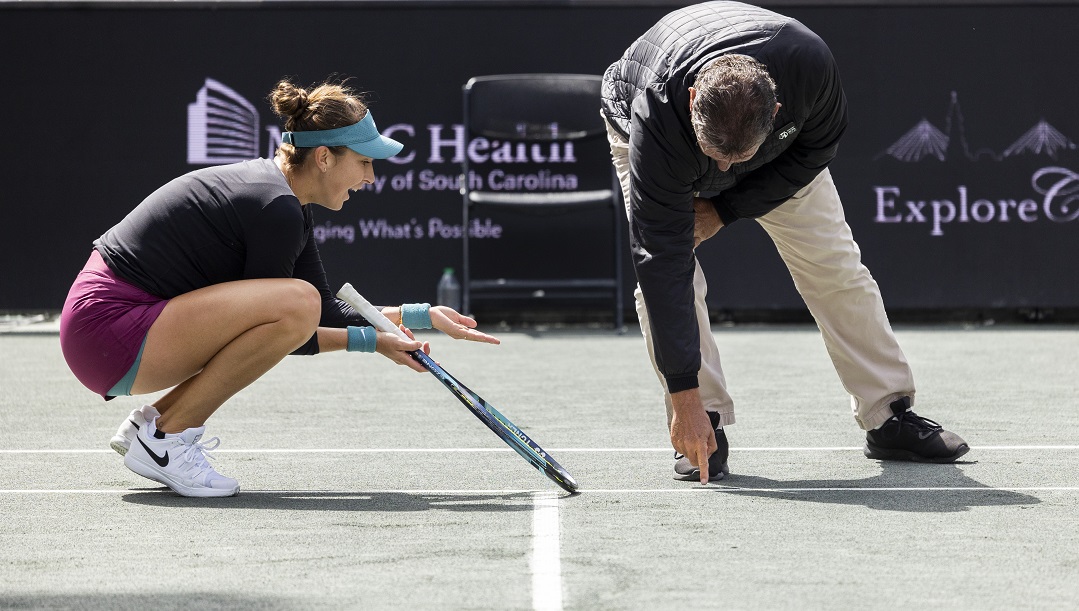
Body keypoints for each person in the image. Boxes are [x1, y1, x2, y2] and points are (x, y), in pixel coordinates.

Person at [60, 77, 500, 498]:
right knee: (296, 302)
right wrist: (374, 342)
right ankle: (166, 438)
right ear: (325, 157)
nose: (371, 178)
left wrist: (421, 315)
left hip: (104, 332)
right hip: (109, 334)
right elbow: (295, 328)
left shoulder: (284, 200)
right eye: (364, 162)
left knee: (301, 302)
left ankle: (153, 424)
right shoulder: (276, 208)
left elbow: (323, 312)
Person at [600, 1, 969, 484]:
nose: (726, 172)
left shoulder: (810, 67)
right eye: (719, 158)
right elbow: (661, 262)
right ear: (693, 100)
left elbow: (816, 148)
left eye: (738, 159)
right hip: (660, 140)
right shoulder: (658, 116)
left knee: (834, 265)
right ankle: (702, 423)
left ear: (776, 113)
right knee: (671, 282)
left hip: (776, 163)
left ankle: (888, 415)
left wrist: (727, 208)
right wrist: (683, 396)